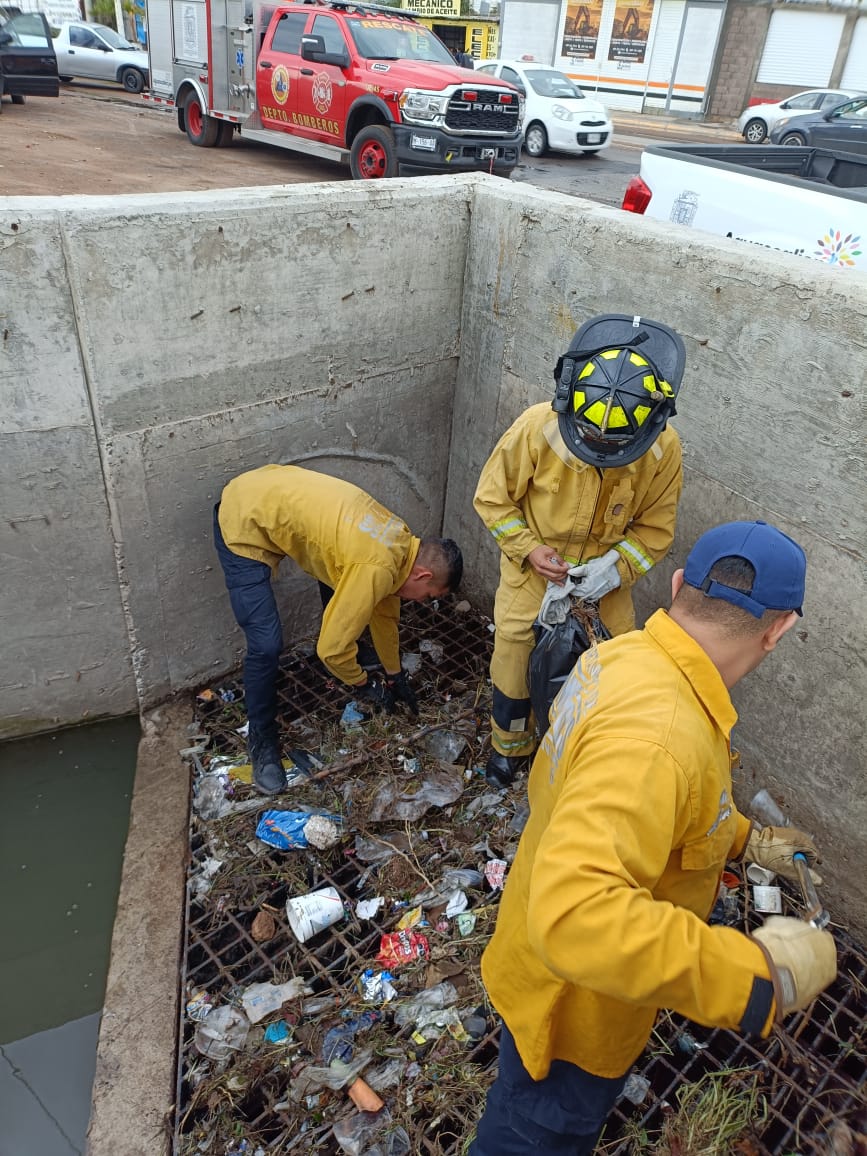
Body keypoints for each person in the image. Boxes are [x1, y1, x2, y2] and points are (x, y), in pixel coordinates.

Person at [469, 520, 838, 1155]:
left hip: (536, 959)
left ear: (677, 585)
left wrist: (745, 840)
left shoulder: (623, 658)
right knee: (533, 1136)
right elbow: (576, 917)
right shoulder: (660, 736)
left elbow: (661, 802)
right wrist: (759, 977)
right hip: (573, 1013)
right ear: (779, 629)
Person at [474, 313, 686, 787]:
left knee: (607, 672)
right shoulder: (538, 426)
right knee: (513, 660)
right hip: (532, 577)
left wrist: (614, 570)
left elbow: (656, 529)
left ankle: (573, 756)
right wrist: (529, 549)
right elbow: (492, 498)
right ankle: (509, 750)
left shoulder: (662, 449)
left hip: (604, 588)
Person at [213, 464, 463, 795]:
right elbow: (329, 650)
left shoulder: (400, 539)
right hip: (243, 515)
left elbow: (384, 612)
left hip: (267, 489)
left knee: (347, 581)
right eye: (428, 596)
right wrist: (364, 683)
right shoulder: (378, 566)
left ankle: (357, 651)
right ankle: (262, 738)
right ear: (423, 575)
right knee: (267, 644)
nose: (421, 602)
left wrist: (394, 674)